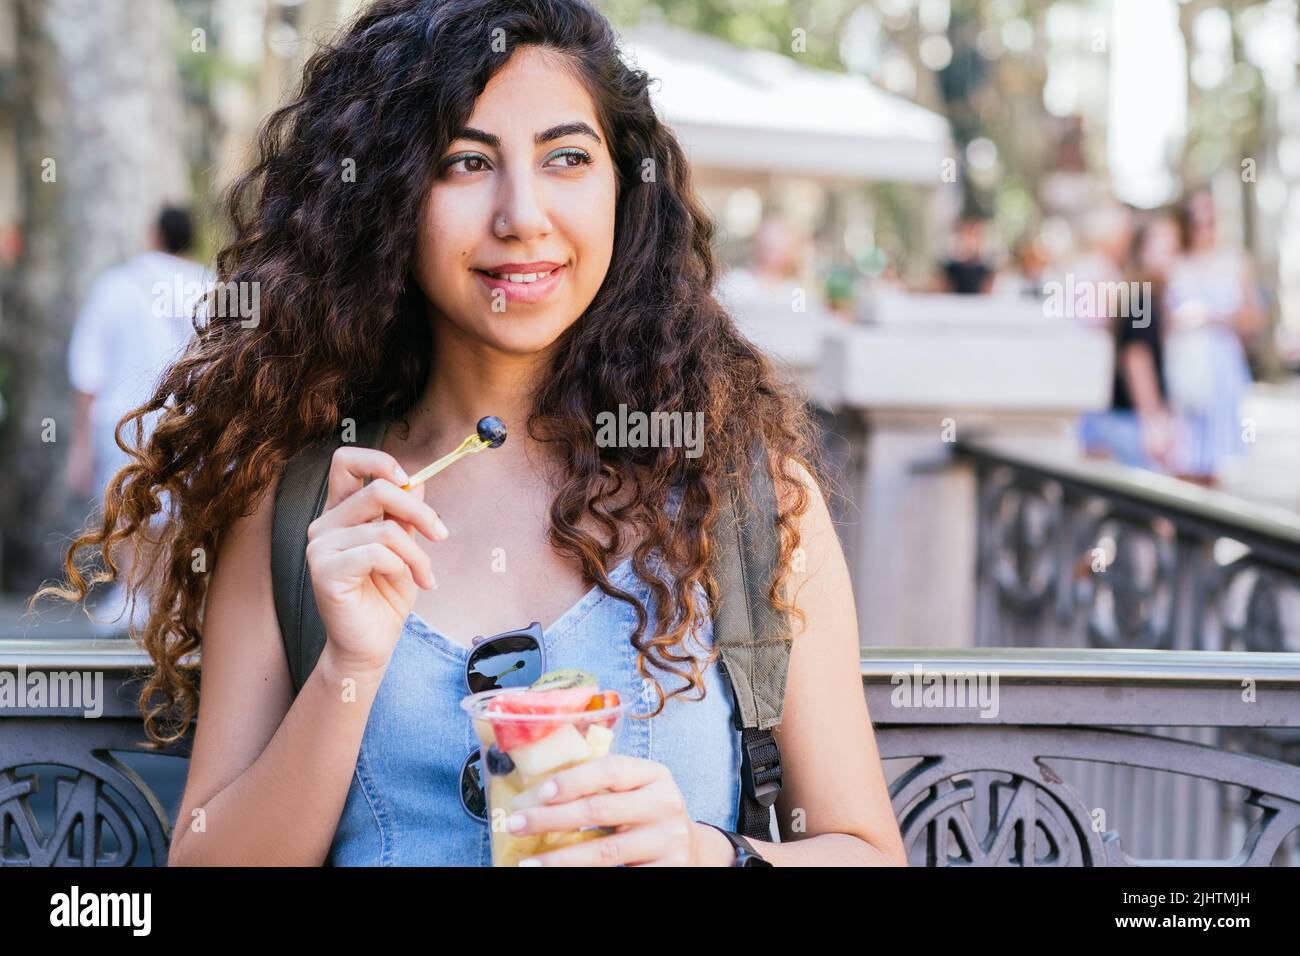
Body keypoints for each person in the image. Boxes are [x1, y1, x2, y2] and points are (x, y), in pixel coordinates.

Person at [39, 0, 906, 868]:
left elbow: (870, 853)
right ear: (387, 197)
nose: (522, 214)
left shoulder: (743, 489)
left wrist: (708, 855)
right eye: (465, 162)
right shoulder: (301, 502)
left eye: (568, 157)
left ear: (622, 186)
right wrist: (348, 667)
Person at [65, 206, 208, 634]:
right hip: (185, 418)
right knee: (174, 509)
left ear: (153, 234)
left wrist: (78, 443)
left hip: (121, 420)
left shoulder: (116, 285)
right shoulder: (206, 284)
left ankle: (130, 595)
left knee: (127, 508)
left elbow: (88, 366)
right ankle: (167, 598)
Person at [1162, 187, 1264, 485]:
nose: (1204, 224)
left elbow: (1253, 318)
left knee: (1213, 462)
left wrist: (1215, 317)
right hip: (1184, 366)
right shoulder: (1174, 264)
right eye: (1196, 218)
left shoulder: (1235, 261)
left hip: (1220, 369)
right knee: (1181, 456)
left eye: (1209, 216)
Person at [1078, 210, 1179, 471]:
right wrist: (1153, 422)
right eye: (1163, 245)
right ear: (1142, 249)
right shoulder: (1139, 297)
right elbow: (1136, 358)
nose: (1172, 254)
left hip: (1125, 421)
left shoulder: (1143, 294)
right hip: (1129, 423)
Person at [934, 213, 994, 294]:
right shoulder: (951, 269)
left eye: (975, 235)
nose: (971, 241)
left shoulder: (987, 271)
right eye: (968, 234)